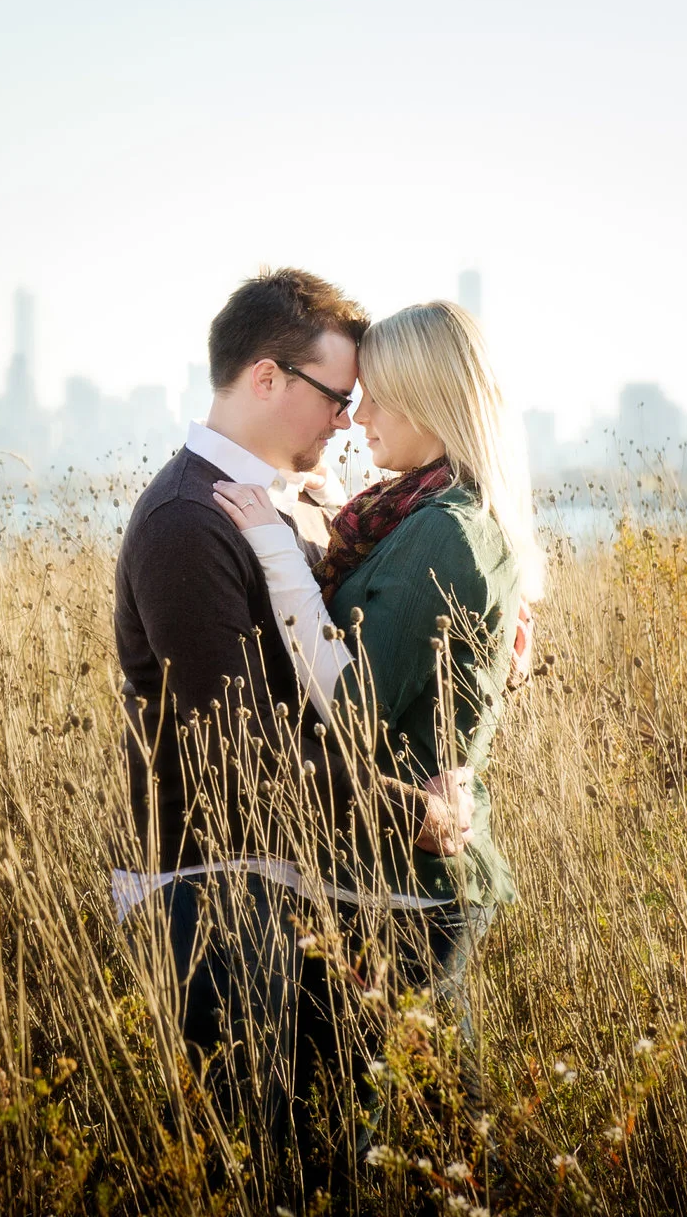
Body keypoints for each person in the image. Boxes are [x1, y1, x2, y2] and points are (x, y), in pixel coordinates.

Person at [112, 270, 474, 1183]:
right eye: (337, 397)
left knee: (329, 1164)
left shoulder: (293, 502)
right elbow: (239, 754)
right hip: (212, 890)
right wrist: (410, 812)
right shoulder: (187, 521)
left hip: (295, 882)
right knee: (253, 1170)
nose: (349, 421)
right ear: (267, 378)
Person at [211, 298, 542, 1011]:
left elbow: (354, 710)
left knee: (392, 1083)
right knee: (418, 1082)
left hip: (405, 888)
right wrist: (333, 511)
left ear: (429, 402)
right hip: (396, 878)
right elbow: (394, 614)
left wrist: (275, 549)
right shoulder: (425, 512)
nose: (358, 418)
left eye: (378, 399)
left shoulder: (446, 531)